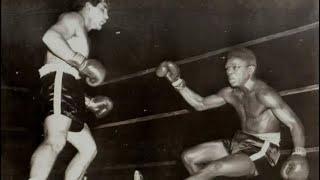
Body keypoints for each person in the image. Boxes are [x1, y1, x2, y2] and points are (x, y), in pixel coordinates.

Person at [156, 48, 309, 180]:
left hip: (264, 149)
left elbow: (294, 123)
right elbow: (200, 104)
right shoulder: (230, 93)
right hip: (241, 141)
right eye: (228, 68)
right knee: (189, 157)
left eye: (235, 67)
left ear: (250, 70)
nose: (230, 72)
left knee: (215, 168)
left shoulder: (264, 94)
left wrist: (299, 154)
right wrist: (176, 82)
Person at [29, 0, 113, 179]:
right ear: (89, 5)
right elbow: (50, 37)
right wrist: (82, 63)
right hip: (59, 79)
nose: (107, 16)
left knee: (88, 148)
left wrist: (88, 102)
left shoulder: (81, 30)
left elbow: (72, 73)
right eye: (104, 9)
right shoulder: (73, 19)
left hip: (67, 85)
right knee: (55, 140)